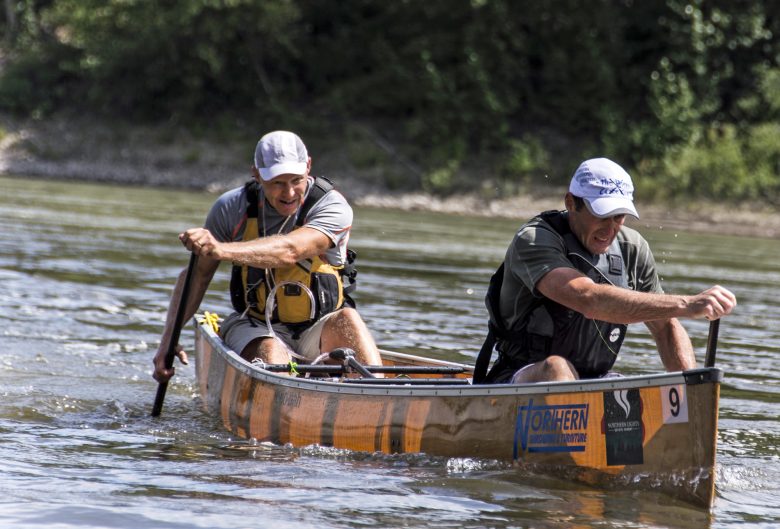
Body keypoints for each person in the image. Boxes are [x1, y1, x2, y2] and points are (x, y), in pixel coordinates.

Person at [474, 157, 737, 384]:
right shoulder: (534, 239)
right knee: (557, 367)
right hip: (520, 376)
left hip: (594, 381)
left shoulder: (632, 247)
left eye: (619, 216)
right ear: (571, 202)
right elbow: (587, 298)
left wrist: (693, 388)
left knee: (633, 382)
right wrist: (687, 303)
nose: (610, 228)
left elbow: (665, 327)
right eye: (601, 215)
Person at [153, 130, 382, 384]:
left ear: (308, 166)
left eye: (296, 180)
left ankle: (377, 389)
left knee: (348, 318)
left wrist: (221, 249)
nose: (289, 193)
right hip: (254, 324)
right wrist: (168, 340)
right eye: (277, 183)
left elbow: (290, 251)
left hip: (319, 326)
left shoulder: (332, 206)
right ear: (257, 174)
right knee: (272, 354)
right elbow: (198, 276)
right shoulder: (231, 209)